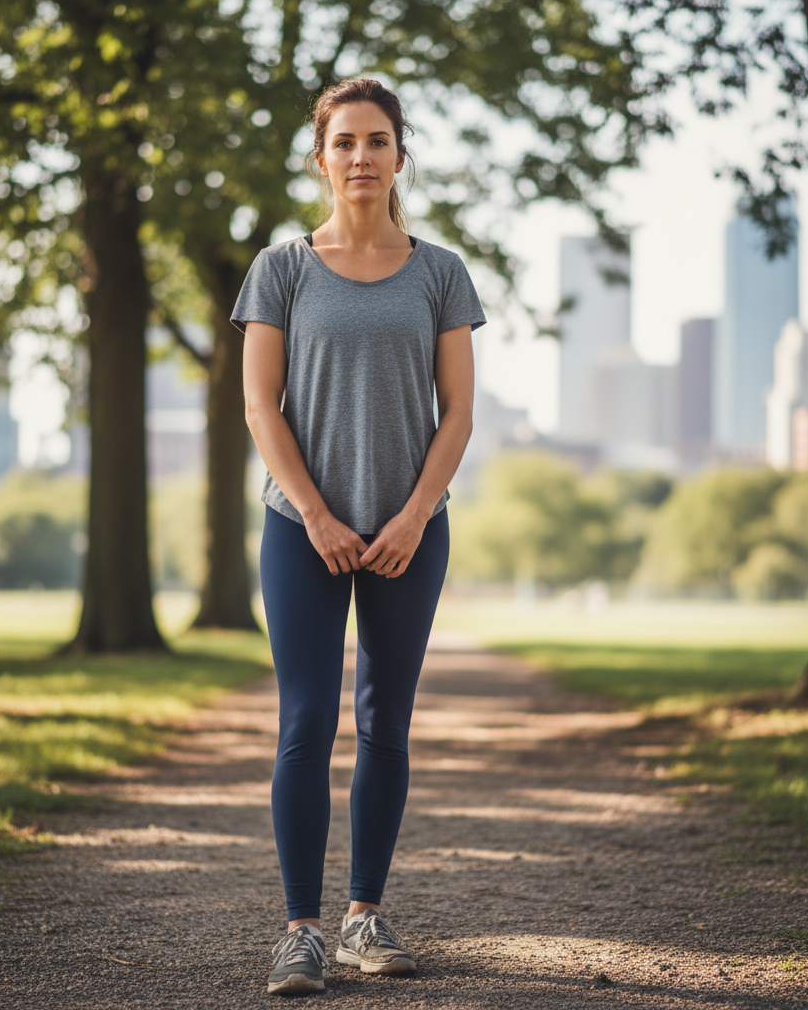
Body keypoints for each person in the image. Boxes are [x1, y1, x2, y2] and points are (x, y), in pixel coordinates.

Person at [233, 77, 486, 996]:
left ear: (400, 157)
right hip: (302, 528)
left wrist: (414, 514)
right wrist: (319, 514)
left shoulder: (441, 270)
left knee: (386, 723)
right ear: (322, 158)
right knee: (306, 723)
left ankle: (363, 917)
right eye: (345, 142)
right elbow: (262, 406)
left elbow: (457, 413)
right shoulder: (282, 268)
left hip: (410, 534)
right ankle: (300, 931)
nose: (362, 157)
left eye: (378, 141)